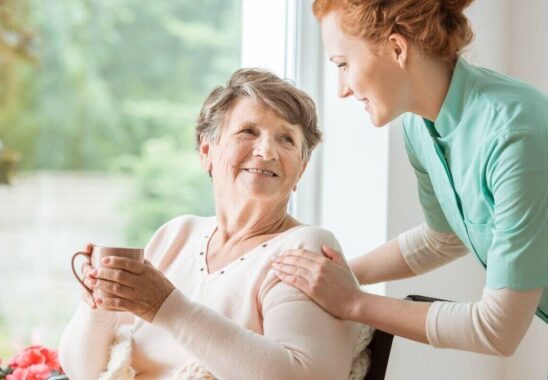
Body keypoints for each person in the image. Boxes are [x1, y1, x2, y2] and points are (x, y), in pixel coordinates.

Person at [272, 0, 547, 357]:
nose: (341, 89)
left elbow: (497, 329)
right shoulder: (419, 126)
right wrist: (338, 275)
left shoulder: (514, 135)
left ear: (396, 48)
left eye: (343, 65)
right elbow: (443, 238)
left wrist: (353, 302)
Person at [58, 68, 362, 380]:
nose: (267, 151)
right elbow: (82, 370)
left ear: (301, 168)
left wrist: (166, 307)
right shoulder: (176, 235)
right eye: (248, 132)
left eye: (286, 139)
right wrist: (96, 304)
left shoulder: (305, 248)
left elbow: (308, 377)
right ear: (207, 151)